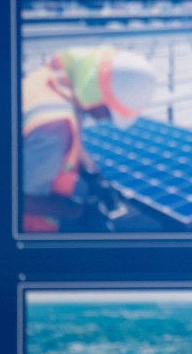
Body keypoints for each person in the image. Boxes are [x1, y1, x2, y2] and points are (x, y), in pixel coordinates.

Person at [20, 44, 159, 232]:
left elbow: (69, 143)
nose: (104, 119)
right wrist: (77, 211)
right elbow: (18, 199)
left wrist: (93, 174)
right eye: (109, 113)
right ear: (97, 93)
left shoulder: (51, 82)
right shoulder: (54, 126)